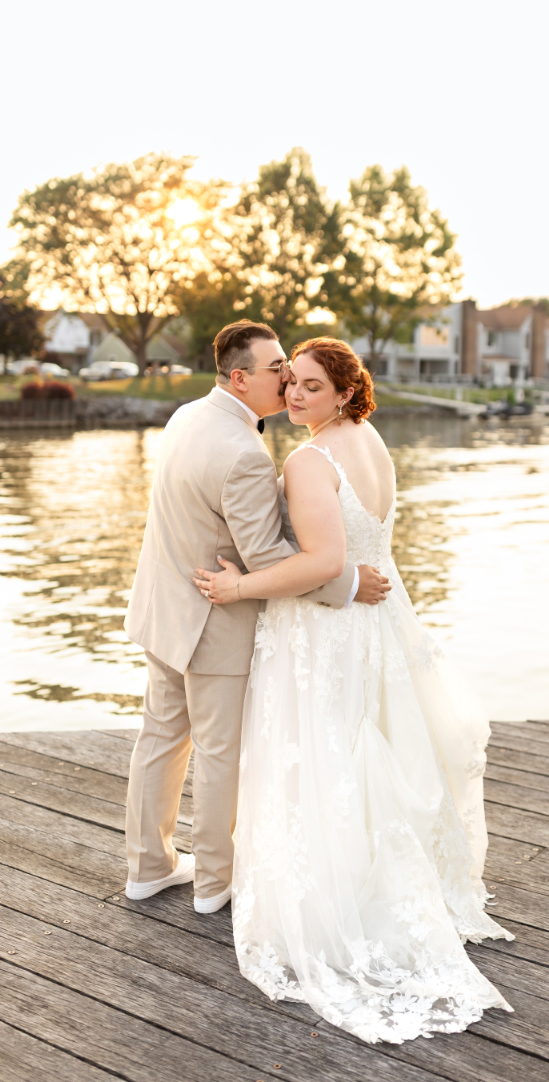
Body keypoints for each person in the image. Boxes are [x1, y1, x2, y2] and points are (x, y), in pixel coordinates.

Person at [193, 337, 514, 1043]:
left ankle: (338, 902)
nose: (296, 396)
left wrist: (237, 585)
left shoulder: (310, 459)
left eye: (311, 386)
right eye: (293, 383)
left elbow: (326, 562)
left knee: (324, 758)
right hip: (379, 626)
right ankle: (386, 882)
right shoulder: (369, 439)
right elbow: (365, 552)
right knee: (368, 755)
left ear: (343, 391)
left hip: (326, 633)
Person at [122, 321, 391, 915]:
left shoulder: (187, 415)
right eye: (278, 371)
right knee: (218, 752)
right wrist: (345, 584)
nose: (287, 380)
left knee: (162, 738)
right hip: (211, 620)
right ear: (241, 379)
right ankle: (214, 883)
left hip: (162, 605)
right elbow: (267, 554)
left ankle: (149, 866)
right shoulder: (244, 451)